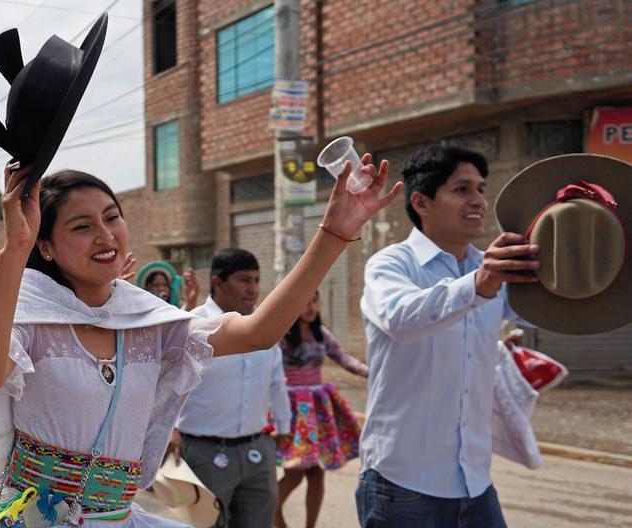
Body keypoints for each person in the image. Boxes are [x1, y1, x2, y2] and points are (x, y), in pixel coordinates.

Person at [0, 155, 399, 527]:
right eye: (81, 226)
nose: (106, 235)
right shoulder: (27, 316)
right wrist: (15, 248)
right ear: (46, 246)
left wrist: (335, 233)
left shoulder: (152, 323)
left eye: (112, 217)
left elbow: (259, 332)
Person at [356, 143, 538, 528]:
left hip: (474, 481)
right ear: (421, 203)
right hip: (401, 483)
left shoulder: (489, 269)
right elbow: (402, 318)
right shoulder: (390, 265)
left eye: (481, 189)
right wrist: (480, 284)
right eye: (462, 189)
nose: (478, 201)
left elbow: (550, 309)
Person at [172, 248, 292, 527]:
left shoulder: (266, 327)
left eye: (256, 280)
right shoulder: (193, 325)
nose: (253, 289)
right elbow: (170, 385)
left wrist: (284, 429)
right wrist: (170, 430)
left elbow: (276, 381)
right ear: (217, 282)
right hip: (203, 453)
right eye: (244, 280)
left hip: (257, 450)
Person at [274, 290, 367, 528]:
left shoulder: (322, 334)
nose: (311, 306)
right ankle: (274, 516)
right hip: (293, 411)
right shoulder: (281, 336)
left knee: (317, 473)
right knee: (295, 470)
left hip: (317, 412)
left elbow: (344, 359)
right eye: (305, 301)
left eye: (314, 301)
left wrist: (374, 372)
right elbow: (269, 371)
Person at [136, 261, 200, 311]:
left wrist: (191, 301)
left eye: (165, 285)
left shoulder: (175, 312)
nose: (161, 288)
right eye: (156, 285)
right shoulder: (141, 315)